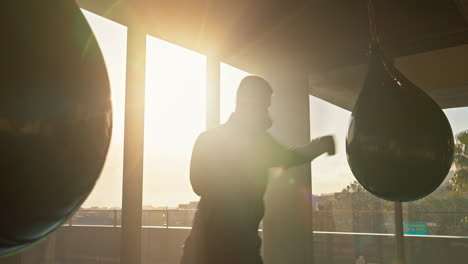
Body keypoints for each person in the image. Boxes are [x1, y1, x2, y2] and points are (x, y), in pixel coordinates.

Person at [181, 76, 335, 264]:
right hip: (234, 248)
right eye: (263, 105)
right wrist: (320, 146)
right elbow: (289, 157)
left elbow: (198, 185)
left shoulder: (209, 138)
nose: (266, 112)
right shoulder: (257, 143)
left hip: (208, 247)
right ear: (250, 104)